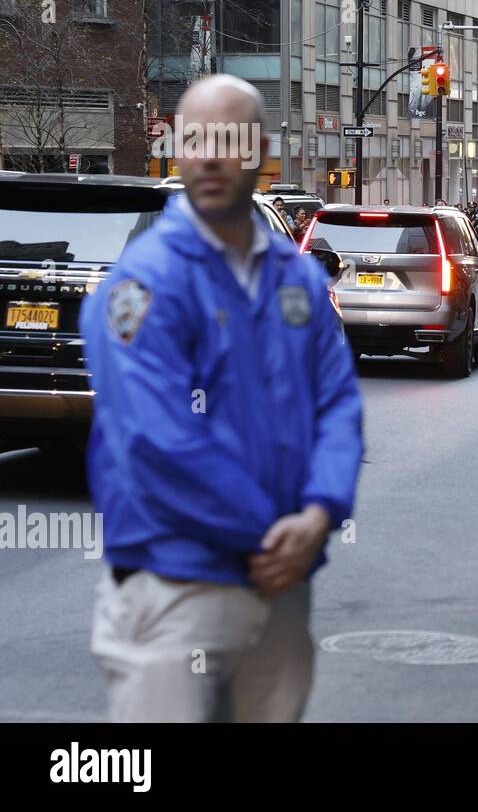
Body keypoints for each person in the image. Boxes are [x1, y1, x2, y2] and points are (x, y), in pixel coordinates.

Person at [82, 74, 364, 723]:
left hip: (280, 595)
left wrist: (321, 511)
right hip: (173, 590)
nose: (210, 154)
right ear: (177, 149)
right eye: (195, 138)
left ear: (260, 151)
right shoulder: (141, 285)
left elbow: (337, 405)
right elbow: (158, 442)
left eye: (228, 138)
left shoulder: (297, 280)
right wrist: (276, 534)